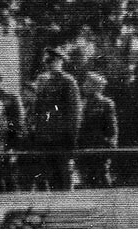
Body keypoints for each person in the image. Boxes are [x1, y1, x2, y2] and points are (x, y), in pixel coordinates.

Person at [27, 49, 83, 191]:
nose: (49, 65)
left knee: (64, 173)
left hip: (61, 136)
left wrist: (72, 135)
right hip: (43, 136)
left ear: (60, 62)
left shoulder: (67, 81)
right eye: (47, 62)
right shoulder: (42, 80)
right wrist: (34, 128)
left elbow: (74, 111)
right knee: (46, 175)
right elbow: (36, 108)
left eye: (52, 62)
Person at [77, 72, 118, 189]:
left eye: (88, 83)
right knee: (86, 179)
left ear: (96, 86)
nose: (84, 86)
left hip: (100, 146)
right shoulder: (81, 103)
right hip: (84, 147)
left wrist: (110, 145)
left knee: (102, 177)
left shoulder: (106, 104)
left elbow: (112, 127)